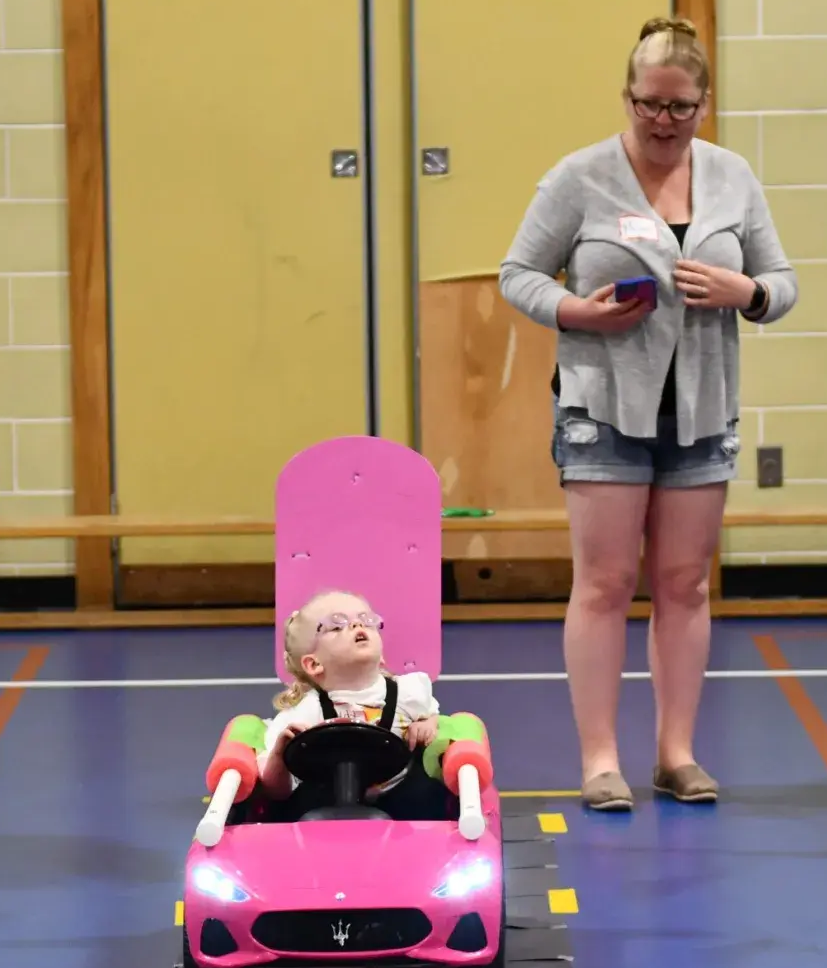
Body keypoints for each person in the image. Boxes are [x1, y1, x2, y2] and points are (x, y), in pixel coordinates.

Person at [498, 17, 797, 811]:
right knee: (603, 582)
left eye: (680, 108)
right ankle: (601, 759)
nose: (663, 122)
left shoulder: (733, 177)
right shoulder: (579, 177)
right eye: (648, 105)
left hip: (702, 409)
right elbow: (517, 272)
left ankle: (677, 752)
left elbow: (782, 281)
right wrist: (573, 311)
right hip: (602, 406)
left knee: (684, 584)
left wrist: (750, 295)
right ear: (627, 97)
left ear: (704, 102)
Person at [252, 590, 454, 823]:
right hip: (327, 806)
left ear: (381, 657)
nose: (358, 624)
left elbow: (440, 720)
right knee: (297, 807)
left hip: (402, 803)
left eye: (367, 620)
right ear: (314, 663)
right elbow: (277, 791)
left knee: (428, 793)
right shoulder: (304, 713)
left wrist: (428, 723)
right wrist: (279, 754)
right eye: (337, 626)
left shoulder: (409, 693)